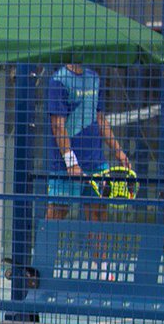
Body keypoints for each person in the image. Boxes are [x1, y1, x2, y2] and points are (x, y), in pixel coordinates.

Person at [46, 63, 132, 221]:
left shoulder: (94, 78)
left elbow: (99, 119)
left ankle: (99, 247)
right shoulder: (58, 80)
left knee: (98, 216)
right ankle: (44, 247)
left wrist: (119, 151)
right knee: (57, 215)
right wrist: (71, 162)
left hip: (96, 164)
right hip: (64, 167)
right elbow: (58, 125)